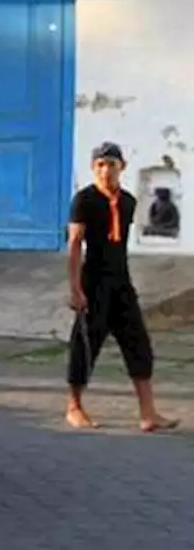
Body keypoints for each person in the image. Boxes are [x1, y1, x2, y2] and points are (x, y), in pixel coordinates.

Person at [65, 141, 179, 433]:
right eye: (100, 165)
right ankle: (74, 407)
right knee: (86, 344)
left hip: (121, 282)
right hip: (94, 283)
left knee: (138, 343)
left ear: (122, 167)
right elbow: (76, 244)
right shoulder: (84, 200)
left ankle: (148, 413)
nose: (106, 170)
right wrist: (76, 289)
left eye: (111, 164)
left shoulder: (128, 201)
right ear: (93, 168)